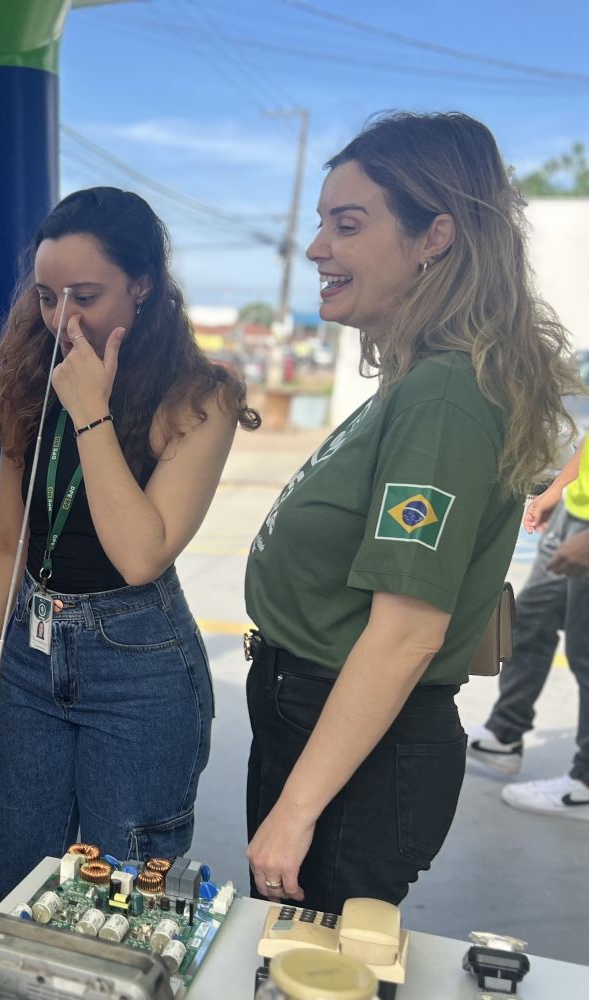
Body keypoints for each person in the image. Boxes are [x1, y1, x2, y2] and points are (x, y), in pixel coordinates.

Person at [243, 112, 578, 913]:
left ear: (435, 236)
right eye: (321, 222)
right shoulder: (420, 381)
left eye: (347, 225)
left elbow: (406, 631)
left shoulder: (446, 396)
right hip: (325, 724)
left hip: (352, 751)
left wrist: (296, 810)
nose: (318, 247)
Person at [0, 187, 253, 909]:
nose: (62, 319)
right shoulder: (35, 377)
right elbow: (5, 545)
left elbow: (141, 554)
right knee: (16, 883)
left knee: (122, 898)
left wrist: (91, 410)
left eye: (85, 295)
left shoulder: (199, 396)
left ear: (143, 285)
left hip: (139, 666)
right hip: (29, 657)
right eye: (46, 298)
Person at [468, 439, 589, 815]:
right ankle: (504, 734)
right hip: (576, 513)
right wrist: (560, 487)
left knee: (585, 651)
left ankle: (585, 785)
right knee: (532, 619)